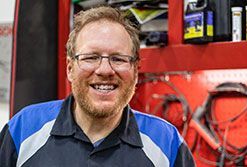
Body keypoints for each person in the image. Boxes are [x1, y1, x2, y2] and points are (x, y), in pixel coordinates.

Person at [0, 6, 195, 167]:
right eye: (91, 57)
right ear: (70, 68)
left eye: (118, 59)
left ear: (135, 72)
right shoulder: (23, 130)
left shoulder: (167, 144)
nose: (105, 70)